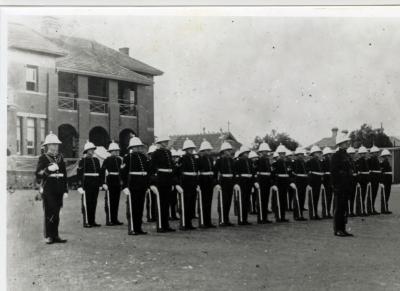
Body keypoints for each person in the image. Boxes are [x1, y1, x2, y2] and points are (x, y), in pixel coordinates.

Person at [35, 132, 68, 244]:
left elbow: (64, 174)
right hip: (48, 189)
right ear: (48, 145)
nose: (55, 146)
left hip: (59, 188)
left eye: (57, 144)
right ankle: (49, 235)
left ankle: (56, 235)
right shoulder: (43, 158)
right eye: (53, 144)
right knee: (50, 211)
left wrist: (65, 189)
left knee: (57, 212)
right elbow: (38, 174)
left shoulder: (60, 157)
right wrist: (48, 170)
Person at [120, 136, 149, 235]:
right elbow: (123, 173)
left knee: (140, 207)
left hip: (142, 185)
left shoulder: (144, 157)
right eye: (136, 146)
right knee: (132, 207)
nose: (138, 148)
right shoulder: (128, 157)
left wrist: (147, 185)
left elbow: (147, 172)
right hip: (132, 185)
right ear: (131, 147)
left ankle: (138, 227)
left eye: (139, 146)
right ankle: (132, 228)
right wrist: (124, 186)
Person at [150, 136, 176, 232]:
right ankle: (160, 225)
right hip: (161, 179)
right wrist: (153, 183)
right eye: (164, 141)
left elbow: (172, 168)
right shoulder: (155, 153)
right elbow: (152, 169)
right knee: (161, 204)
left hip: (168, 179)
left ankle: (166, 225)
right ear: (160, 143)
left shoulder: (168, 152)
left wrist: (173, 181)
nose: (166, 143)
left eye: (166, 141)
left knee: (166, 204)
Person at [331, 133, 354, 237]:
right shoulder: (336, 156)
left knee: (344, 208)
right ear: (340, 144)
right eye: (345, 142)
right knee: (339, 208)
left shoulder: (347, 155)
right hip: (340, 186)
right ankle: (337, 229)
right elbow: (334, 172)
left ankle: (343, 229)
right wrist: (336, 186)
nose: (347, 144)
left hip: (347, 185)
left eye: (347, 142)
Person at [77, 141, 102, 228]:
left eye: (93, 149)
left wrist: (100, 183)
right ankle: (86, 221)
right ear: (86, 151)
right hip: (87, 183)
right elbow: (79, 174)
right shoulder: (82, 161)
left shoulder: (96, 160)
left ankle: (92, 220)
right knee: (86, 202)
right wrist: (80, 185)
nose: (92, 151)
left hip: (95, 183)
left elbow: (99, 172)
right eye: (90, 149)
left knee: (93, 202)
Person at [177, 138, 199, 230]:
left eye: (192, 148)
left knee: (191, 204)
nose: (191, 150)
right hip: (186, 183)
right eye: (189, 148)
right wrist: (180, 184)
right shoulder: (183, 159)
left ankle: (189, 223)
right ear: (185, 150)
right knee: (186, 203)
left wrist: (197, 182)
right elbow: (179, 172)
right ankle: (184, 223)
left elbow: (196, 172)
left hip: (193, 182)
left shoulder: (193, 158)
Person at [100, 141, 123, 226]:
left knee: (116, 201)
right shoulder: (107, 160)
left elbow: (121, 171)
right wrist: (103, 183)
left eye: (117, 150)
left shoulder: (119, 160)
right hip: (110, 181)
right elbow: (102, 171)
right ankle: (109, 219)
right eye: (114, 150)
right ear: (110, 151)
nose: (116, 152)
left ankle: (115, 219)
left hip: (117, 181)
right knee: (109, 201)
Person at [214, 141, 235, 226]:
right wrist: (217, 183)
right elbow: (215, 173)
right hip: (223, 182)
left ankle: (226, 219)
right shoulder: (219, 161)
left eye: (229, 150)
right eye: (227, 150)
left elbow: (234, 172)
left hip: (230, 182)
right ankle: (221, 219)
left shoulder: (231, 160)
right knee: (223, 201)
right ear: (223, 151)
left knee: (229, 201)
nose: (229, 152)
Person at [197, 139, 216, 228]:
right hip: (203, 181)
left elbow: (213, 171)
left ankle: (208, 221)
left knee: (209, 202)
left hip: (209, 181)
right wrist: (198, 183)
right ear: (202, 151)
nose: (208, 152)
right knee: (203, 202)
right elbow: (198, 172)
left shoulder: (211, 159)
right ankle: (203, 222)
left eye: (209, 150)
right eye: (207, 150)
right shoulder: (199, 159)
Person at [234, 146, 253, 225]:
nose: (247, 154)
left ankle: (245, 219)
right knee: (242, 201)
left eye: (248, 153)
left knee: (246, 201)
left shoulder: (249, 161)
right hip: (242, 182)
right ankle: (241, 219)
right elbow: (236, 173)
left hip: (248, 182)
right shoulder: (238, 162)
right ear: (242, 154)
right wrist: (237, 183)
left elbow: (251, 172)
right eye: (246, 153)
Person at [271, 144, 290, 223]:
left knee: (283, 201)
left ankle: (282, 216)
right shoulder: (275, 164)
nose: (283, 155)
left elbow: (288, 174)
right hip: (278, 183)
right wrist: (274, 184)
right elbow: (273, 175)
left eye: (284, 153)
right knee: (278, 200)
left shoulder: (285, 163)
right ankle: (278, 216)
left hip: (284, 183)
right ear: (278, 154)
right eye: (281, 153)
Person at [255, 142, 273, 224]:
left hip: (267, 181)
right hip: (261, 181)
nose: (266, 152)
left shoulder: (267, 160)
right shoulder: (258, 161)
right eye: (264, 151)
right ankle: (261, 218)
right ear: (260, 152)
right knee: (261, 200)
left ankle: (265, 217)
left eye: (266, 151)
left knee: (266, 199)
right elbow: (256, 172)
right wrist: (257, 181)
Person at [306, 145, 324, 220]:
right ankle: (312, 214)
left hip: (318, 181)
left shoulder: (319, 161)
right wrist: (309, 183)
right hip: (313, 182)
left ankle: (315, 213)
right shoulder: (310, 162)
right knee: (313, 198)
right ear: (313, 153)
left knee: (316, 198)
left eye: (319, 153)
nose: (319, 154)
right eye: (317, 152)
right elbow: (309, 173)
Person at [291, 147, 308, 221]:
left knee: (302, 198)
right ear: (297, 155)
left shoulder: (303, 162)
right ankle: (297, 215)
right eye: (299, 154)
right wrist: (293, 182)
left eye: (302, 154)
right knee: (297, 199)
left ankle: (300, 214)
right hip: (298, 181)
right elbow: (293, 173)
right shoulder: (294, 162)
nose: (301, 155)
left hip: (303, 181)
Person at [355, 146, 369, 216]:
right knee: (361, 196)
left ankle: (363, 210)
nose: (364, 154)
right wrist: (358, 182)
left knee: (363, 196)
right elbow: (359, 172)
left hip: (365, 180)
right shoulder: (359, 161)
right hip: (361, 181)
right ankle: (360, 211)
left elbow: (367, 172)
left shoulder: (365, 161)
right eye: (362, 153)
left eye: (364, 153)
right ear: (360, 154)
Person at [145, 144, 158, 223]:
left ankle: (155, 215)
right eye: (152, 154)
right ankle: (150, 216)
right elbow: (147, 175)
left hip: (157, 183)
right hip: (150, 184)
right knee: (150, 200)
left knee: (156, 200)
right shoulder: (147, 163)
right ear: (149, 155)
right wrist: (150, 184)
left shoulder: (157, 163)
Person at [368, 145, 381, 215]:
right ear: (372, 153)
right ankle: (370, 209)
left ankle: (372, 208)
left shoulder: (376, 159)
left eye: (377, 152)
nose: (377, 153)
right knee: (372, 194)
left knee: (374, 194)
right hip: (373, 180)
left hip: (376, 180)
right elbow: (370, 171)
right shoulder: (371, 160)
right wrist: (370, 180)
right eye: (375, 152)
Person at [321, 147, 334, 218]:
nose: (329, 156)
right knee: (326, 198)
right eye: (327, 154)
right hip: (326, 182)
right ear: (325, 155)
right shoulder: (323, 162)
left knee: (330, 198)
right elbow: (322, 173)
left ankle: (328, 212)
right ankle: (325, 212)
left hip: (331, 182)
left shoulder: (331, 162)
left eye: (330, 154)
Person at [380, 149, 393, 214]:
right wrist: (382, 182)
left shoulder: (386, 162)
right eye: (386, 156)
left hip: (388, 181)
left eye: (387, 155)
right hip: (386, 181)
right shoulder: (384, 163)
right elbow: (382, 173)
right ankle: (384, 209)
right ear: (383, 156)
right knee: (385, 195)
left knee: (387, 195)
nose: (387, 157)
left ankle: (385, 208)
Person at [346, 146, 358, 217]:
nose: (352, 155)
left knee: (352, 197)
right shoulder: (346, 162)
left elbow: (355, 172)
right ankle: (347, 212)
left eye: (353, 154)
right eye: (350, 154)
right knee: (347, 197)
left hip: (353, 182)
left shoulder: (354, 162)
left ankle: (351, 211)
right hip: (348, 182)